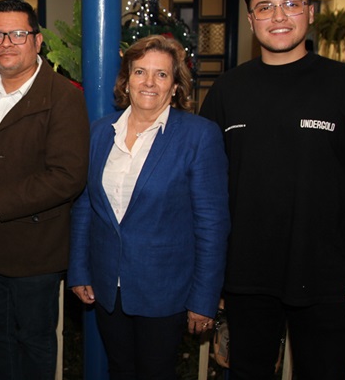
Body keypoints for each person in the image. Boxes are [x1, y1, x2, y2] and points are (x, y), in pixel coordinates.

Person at [199, 0, 345, 380]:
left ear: (310, 12)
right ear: (251, 19)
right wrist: (209, 273)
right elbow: (206, 187)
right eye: (265, 7)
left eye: (291, 4)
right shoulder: (226, 91)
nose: (278, 16)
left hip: (328, 276)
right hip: (245, 276)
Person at [68, 35, 230, 379]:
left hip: (166, 292)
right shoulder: (101, 132)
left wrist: (204, 298)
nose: (149, 82)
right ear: (126, 81)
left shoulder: (199, 136)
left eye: (162, 74)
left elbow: (212, 225)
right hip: (108, 286)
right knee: (120, 370)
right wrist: (79, 270)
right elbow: (85, 206)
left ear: (175, 86)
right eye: (140, 71)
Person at [0, 0, 89, 379]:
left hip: (34, 245)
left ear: (37, 41)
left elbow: (67, 175)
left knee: (34, 340)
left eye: (18, 34)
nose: (6, 43)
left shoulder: (63, 96)